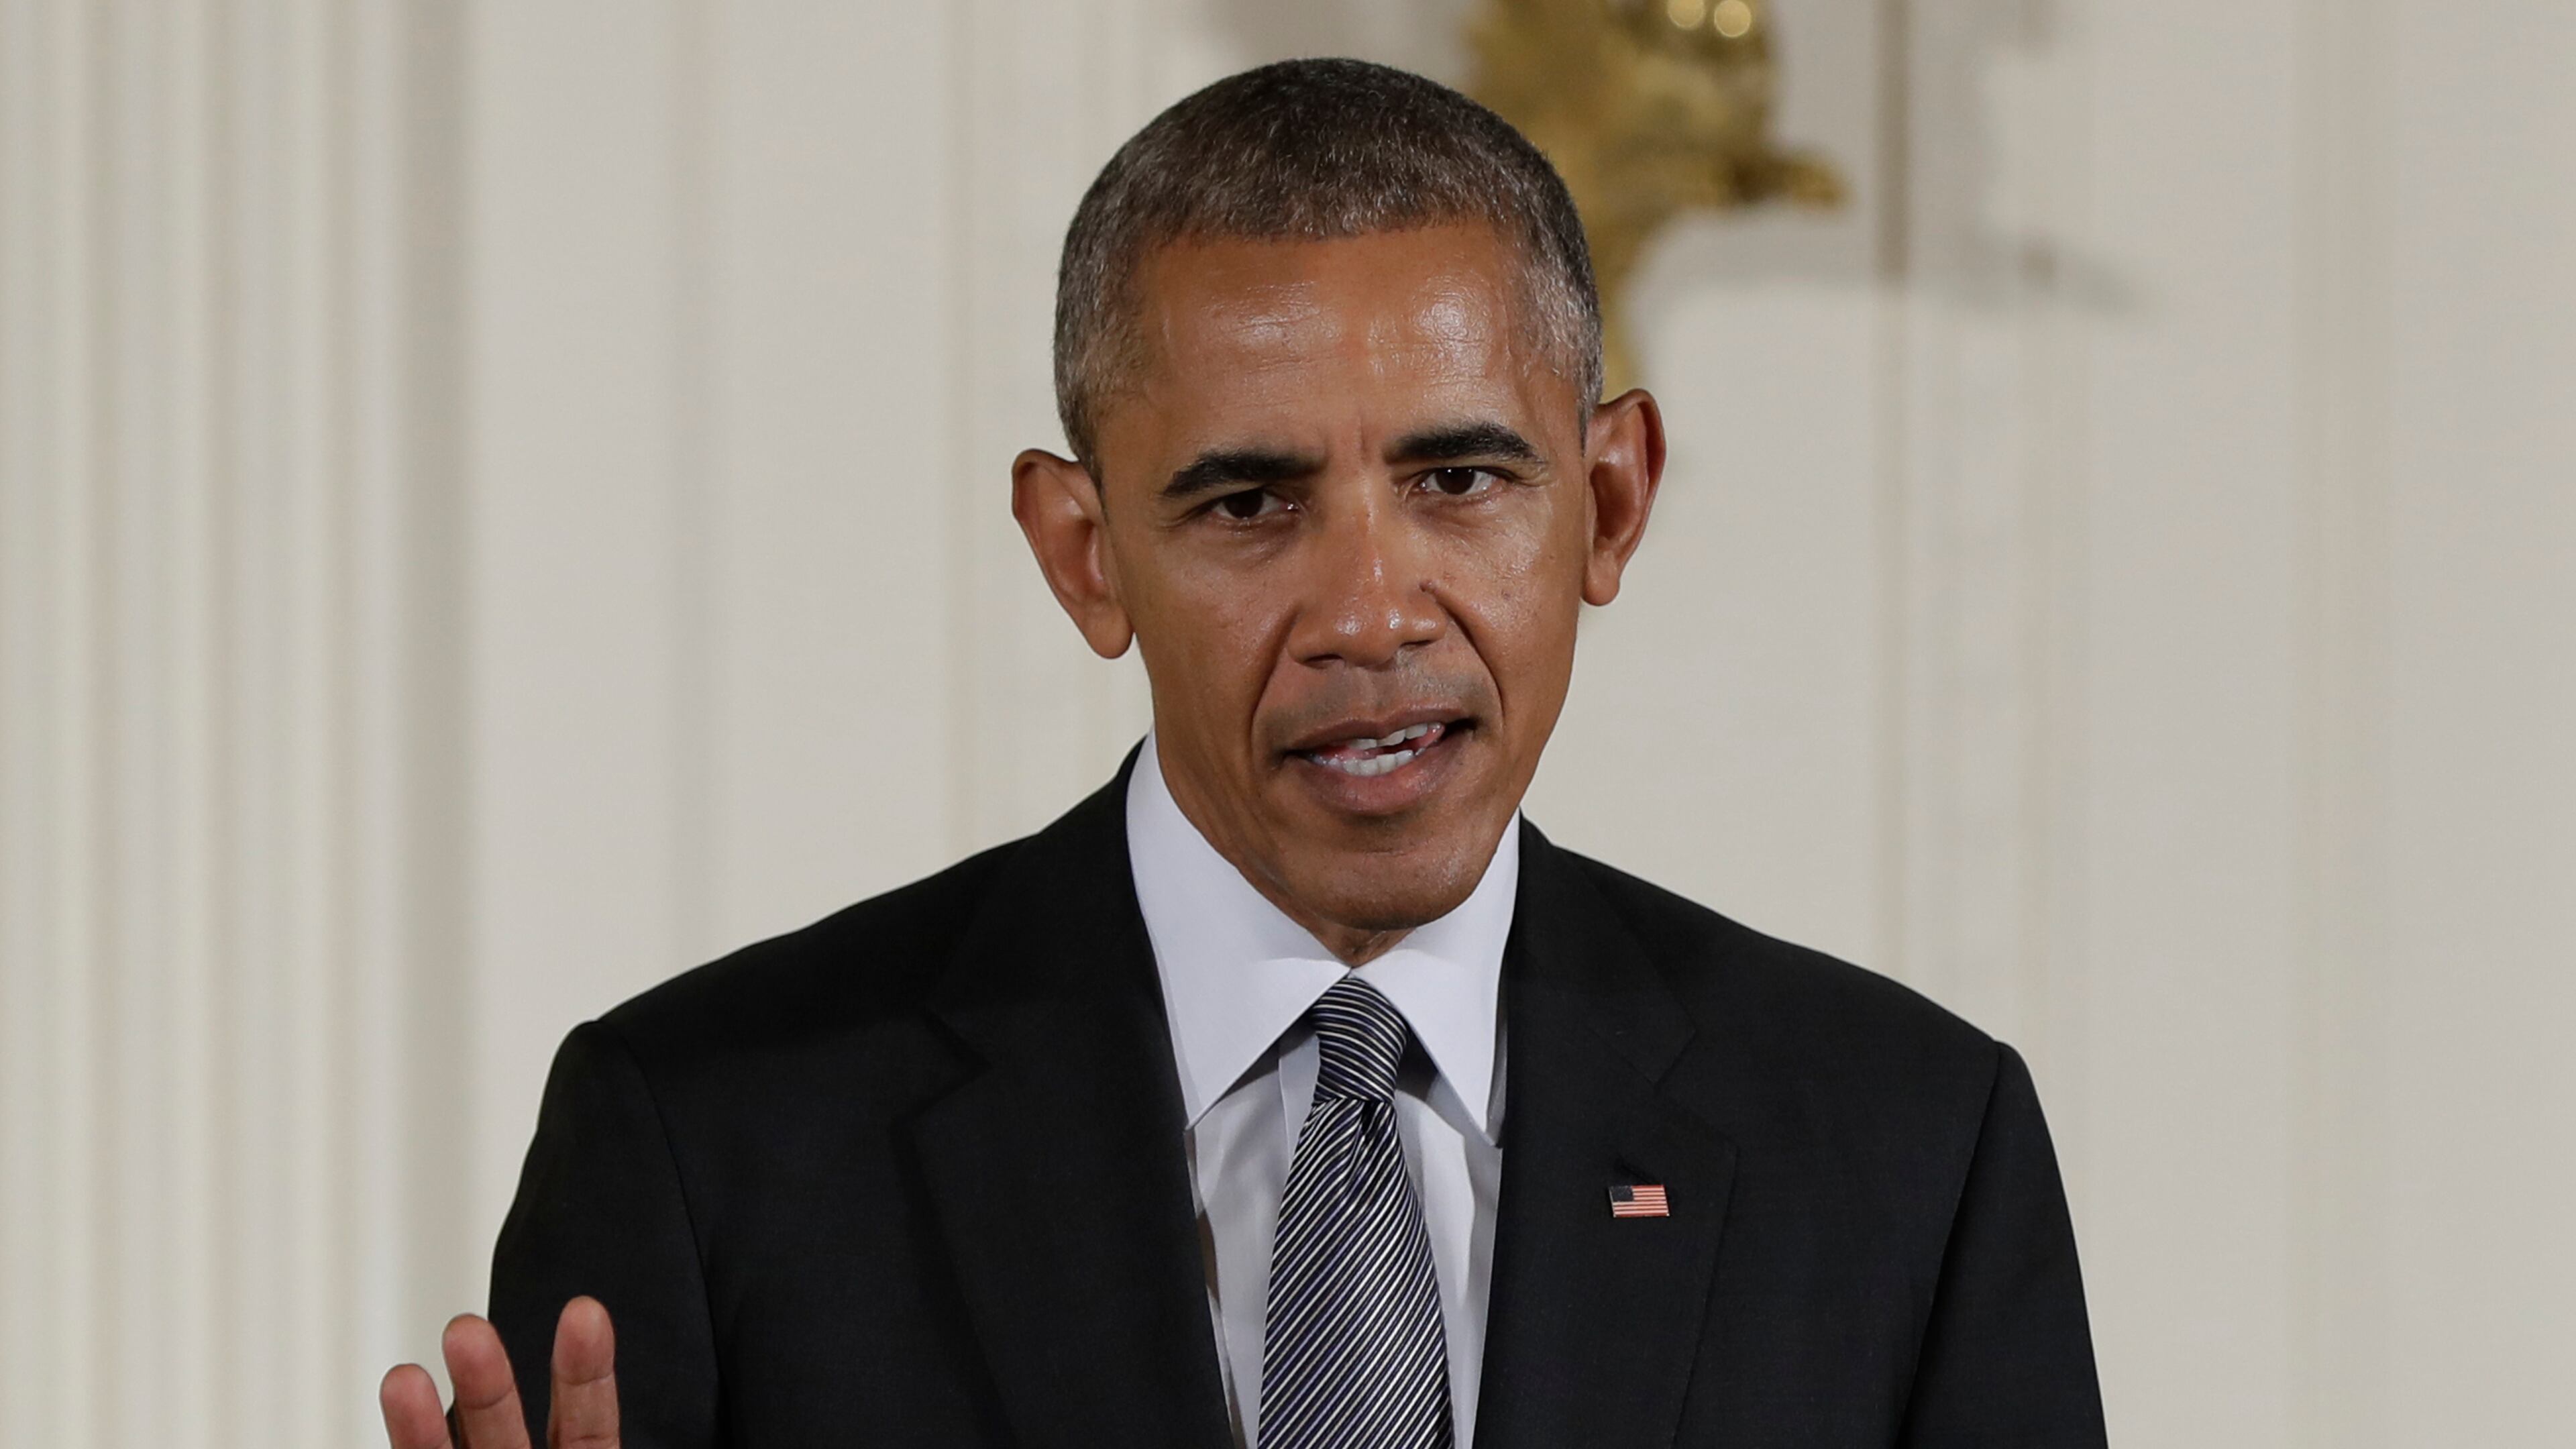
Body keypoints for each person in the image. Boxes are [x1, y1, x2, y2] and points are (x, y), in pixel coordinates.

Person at [379, 58, 2106, 1449]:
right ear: (1084, 554)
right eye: (1249, 503)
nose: (1371, 610)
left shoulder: (1904, 1152)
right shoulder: (715, 1145)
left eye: (1459, 481)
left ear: (1609, 500)